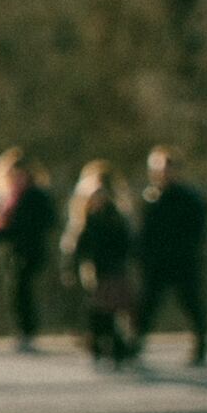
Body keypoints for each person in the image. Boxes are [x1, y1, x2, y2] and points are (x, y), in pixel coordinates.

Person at [57, 157, 139, 368]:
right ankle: (100, 345)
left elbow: (127, 244)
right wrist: (71, 268)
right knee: (97, 311)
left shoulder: (116, 217)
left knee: (112, 309)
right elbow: (76, 247)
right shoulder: (84, 220)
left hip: (113, 268)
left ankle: (116, 346)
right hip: (93, 270)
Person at [137, 145, 207, 367]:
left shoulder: (189, 199)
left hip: (183, 260)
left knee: (191, 302)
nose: (162, 174)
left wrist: (188, 248)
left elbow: (199, 227)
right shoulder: (151, 198)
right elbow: (145, 232)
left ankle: (202, 345)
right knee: (148, 303)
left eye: (166, 169)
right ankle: (136, 342)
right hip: (158, 261)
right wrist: (143, 254)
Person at [0, 146, 58, 350]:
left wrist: (19, 227)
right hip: (13, 252)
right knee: (15, 292)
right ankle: (22, 332)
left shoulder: (37, 196)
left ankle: (28, 332)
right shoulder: (7, 199)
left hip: (31, 249)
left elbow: (48, 221)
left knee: (24, 290)